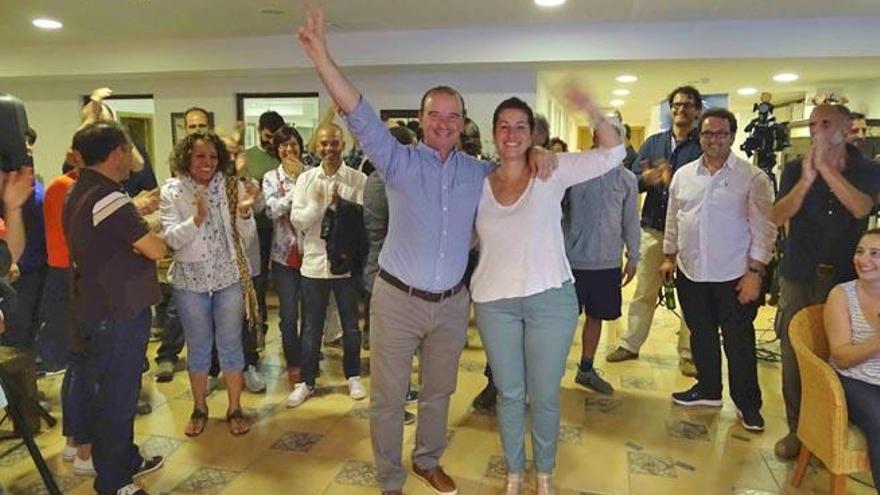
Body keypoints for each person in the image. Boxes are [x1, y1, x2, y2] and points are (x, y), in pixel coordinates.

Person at [295, 9, 556, 495]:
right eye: (434, 115)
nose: (443, 123)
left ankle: (427, 459)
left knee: (439, 393)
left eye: (452, 116)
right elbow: (357, 111)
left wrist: (538, 152)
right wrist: (322, 57)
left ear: (462, 124)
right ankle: (390, 480)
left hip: (452, 304)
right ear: (421, 120)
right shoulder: (396, 161)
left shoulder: (479, 173)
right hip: (397, 300)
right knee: (389, 398)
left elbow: (517, 168)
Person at [473, 93, 624, 495]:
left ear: (533, 133)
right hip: (494, 302)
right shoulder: (478, 182)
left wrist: (592, 108)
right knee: (509, 393)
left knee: (543, 395)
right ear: (493, 133)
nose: (511, 133)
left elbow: (614, 152)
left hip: (551, 299)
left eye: (520, 126)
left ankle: (543, 476)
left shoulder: (551, 171)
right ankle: (514, 474)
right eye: (503, 126)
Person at [770, 103, 880, 459]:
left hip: (846, 280)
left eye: (826, 122)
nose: (818, 129)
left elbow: (861, 208)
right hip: (799, 275)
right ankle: (798, 431)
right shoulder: (793, 168)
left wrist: (827, 172)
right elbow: (777, 215)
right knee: (795, 353)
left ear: (847, 128)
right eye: (814, 123)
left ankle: (834, 427)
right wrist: (806, 180)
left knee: (837, 353)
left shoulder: (867, 169)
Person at [63, 121, 166, 495]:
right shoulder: (108, 196)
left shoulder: (80, 189)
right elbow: (153, 248)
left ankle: (126, 458)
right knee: (117, 397)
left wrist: (144, 221)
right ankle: (114, 481)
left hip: (98, 307)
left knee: (115, 390)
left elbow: (118, 236)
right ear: (115, 153)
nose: (131, 159)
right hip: (116, 313)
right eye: (127, 150)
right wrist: (165, 234)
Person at [661, 108, 776, 431]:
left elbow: (764, 229)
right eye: (708, 133)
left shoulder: (752, 178)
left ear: (732, 136)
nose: (714, 139)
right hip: (692, 272)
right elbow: (674, 219)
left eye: (721, 133)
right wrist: (668, 256)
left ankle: (748, 405)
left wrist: (755, 272)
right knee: (702, 336)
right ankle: (708, 389)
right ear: (700, 137)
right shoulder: (683, 175)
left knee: (738, 342)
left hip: (735, 276)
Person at [159, 132, 260, 437]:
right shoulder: (172, 191)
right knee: (199, 347)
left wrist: (244, 212)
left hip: (228, 278)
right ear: (187, 158)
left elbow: (246, 237)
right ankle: (199, 407)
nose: (208, 162)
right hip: (190, 283)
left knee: (231, 345)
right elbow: (170, 239)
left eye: (213, 156)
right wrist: (197, 219)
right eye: (200, 156)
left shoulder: (230, 186)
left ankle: (234, 407)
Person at [606, 86, 704, 377]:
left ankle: (688, 354)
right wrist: (647, 178)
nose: (680, 110)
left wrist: (675, 182)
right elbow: (632, 181)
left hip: (690, 233)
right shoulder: (653, 143)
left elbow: (704, 188)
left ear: (697, 110)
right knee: (644, 291)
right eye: (676, 105)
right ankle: (631, 344)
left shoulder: (701, 146)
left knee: (691, 296)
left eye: (687, 105)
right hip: (653, 226)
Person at [288, 122, 367, 407]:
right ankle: (306, 381)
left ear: (342, 144)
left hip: (345, 265)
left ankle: (353, 375)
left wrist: (342, 202)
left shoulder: (358, 179)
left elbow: (363, 221)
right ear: (316, 147)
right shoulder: (306, 180)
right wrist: (321, 206)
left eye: (334, 143)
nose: (329, 148)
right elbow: (298, 220)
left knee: (350, 325)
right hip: (313, 263)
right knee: (311, 327)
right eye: (324, 144)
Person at [564, 130, 640, 396]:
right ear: (594, 139)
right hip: (570, 262)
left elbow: (631, 219)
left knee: (596, 316)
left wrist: (634, 255)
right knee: (560, 320)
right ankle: (547, 373)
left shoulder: (627, 179)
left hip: (606, 263)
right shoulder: (574, 173)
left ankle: (585, 369)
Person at [824, 228, 880, 491]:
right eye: (860, 252)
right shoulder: (841, 295)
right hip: (854, 380)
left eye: (874, 253)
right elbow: (842, 356)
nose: (863, 259)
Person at [262, 125, 310, 388]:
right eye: (283, 146)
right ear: (277, 150)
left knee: (312, 313)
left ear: (300, 147)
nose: (289, 150)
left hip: (311, 254)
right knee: (289, 314)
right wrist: (296, 190)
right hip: (283, 256)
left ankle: (309, 357)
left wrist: (304, 181)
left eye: (293, 145)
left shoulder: (312, 174)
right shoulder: (271, 177)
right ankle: (294, 362)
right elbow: (271, 210)